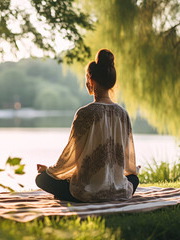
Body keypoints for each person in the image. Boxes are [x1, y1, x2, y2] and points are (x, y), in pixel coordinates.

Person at [35, 49, 139, 203]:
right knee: (133, 178)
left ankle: (77, 191)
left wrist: (49, 171)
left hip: (87, 192)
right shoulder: (123, 113)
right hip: (119, 191)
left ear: (91, 80)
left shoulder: (84, 113)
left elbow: (71, 159)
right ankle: (114, 189)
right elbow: (129, 164)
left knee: (41, 179)